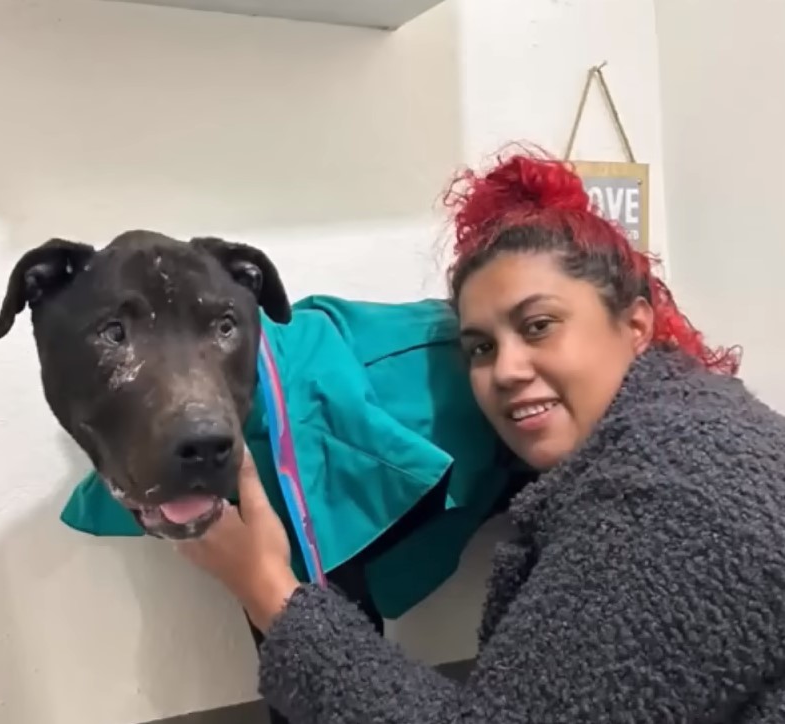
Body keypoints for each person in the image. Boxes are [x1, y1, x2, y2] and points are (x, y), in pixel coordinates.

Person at [174, 148, 785, 722]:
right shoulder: (694, 423)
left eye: (539, 325)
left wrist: (267, 591)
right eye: (481, 348)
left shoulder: (672, 497)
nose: (507, 371)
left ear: (636, 324)